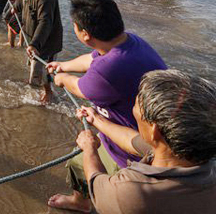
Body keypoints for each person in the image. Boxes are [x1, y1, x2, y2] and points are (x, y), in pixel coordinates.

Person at [46, 0, 167, 212]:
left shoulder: (107, 70)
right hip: (142, 133)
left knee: (86, 167)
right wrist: (63, 65)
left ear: (85, 34)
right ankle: (81, 201)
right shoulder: (129, 40)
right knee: (79, 160)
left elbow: (81, 87)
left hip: (135, 149)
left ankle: (85, 202)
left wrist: (63, 79)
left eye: (75, 26)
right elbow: (92, 58)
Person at [74, 70, 216, 214]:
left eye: (136, 107)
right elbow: (133, 140)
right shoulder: (183, 150)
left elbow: (98, 186)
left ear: (154, 130)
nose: (133, 110)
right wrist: (97, 119)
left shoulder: (132, 189)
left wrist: (89, 148)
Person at [14, 0, 62, 103]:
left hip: (46, 40)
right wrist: (14, 9)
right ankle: (33, 83)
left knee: (44, 68)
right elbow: (19, 3)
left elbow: (45, 21)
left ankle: (48, 92)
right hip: (32, 37)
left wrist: (35, 43)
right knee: (33, 65)